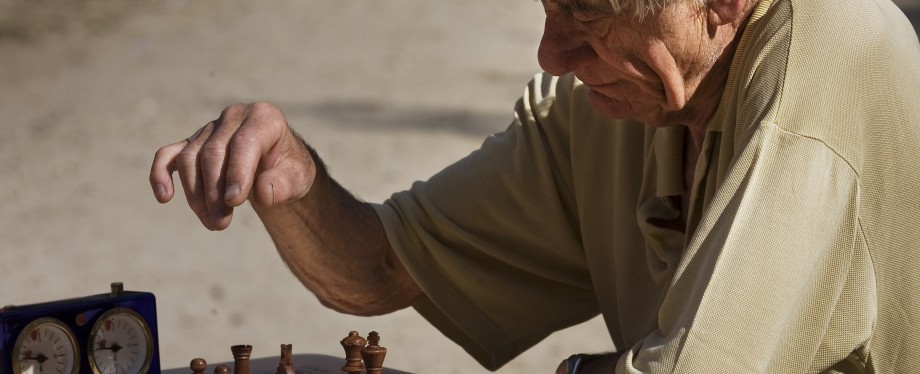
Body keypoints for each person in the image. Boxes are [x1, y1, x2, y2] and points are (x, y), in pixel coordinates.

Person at [150, 0, 920, 372]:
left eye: (587, 10)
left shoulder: (827, 59)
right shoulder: (619, 99)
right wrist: (295, 181)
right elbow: (378, 267)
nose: (551, 53)